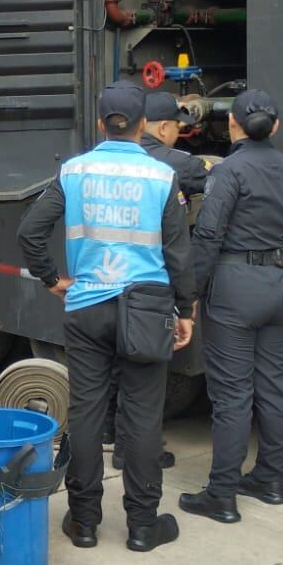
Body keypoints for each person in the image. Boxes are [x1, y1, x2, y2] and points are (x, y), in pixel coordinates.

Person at [17, 82, 196, 553]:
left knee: (87, 412)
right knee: (141, 417)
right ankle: (141, 525)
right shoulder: (161, 176)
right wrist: (188, 309)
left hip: (87, 306)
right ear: (143, 125)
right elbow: (179, 253)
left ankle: (84, 522)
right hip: (146, 309)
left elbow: (31, 230)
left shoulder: (74, 171)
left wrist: (52, 277)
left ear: (100, 123)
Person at [179, 89, 283, 525]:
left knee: (233, 393)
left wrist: (190, 295)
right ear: (275, 127)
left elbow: (209, 234)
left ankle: (222, 495)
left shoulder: (229, 171)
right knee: (274, 383)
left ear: (232, 125)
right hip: (280, 283)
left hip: (235, 287)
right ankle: (270, 481)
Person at [104, 89, 213, 472]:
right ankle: (140, 452)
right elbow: (181, 247)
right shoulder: (178, 165)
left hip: (106, 281)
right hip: (151, 285)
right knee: (147, 378)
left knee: (116, 367)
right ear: (164, 127)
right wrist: (188, 303)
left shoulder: (100, 162)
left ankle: (115, 441)